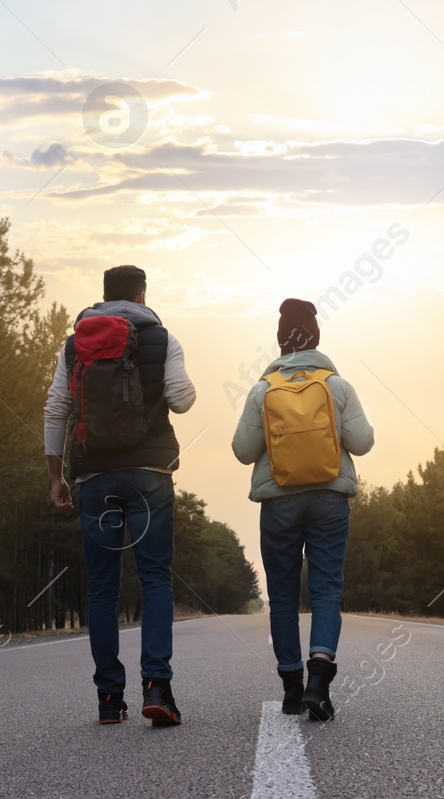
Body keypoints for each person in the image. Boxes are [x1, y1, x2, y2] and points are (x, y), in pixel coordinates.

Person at [45, 265, 196, 726]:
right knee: (154, 578)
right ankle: (157, 687)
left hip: (94, 477)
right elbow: (182, 398)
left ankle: (109, 698)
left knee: (103, 588)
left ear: (104, 297)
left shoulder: (75, 346)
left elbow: (56, 410)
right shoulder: (163, 338)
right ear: (142, 294)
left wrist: (57, 477)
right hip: (149, 473)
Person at [232, 298, 374, 720]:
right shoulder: (337, 386)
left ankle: (292, 688)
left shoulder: (262, 389)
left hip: (279, 501)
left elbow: (243, 451)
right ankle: (319, 679)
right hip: (330, 498)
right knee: (327, 589)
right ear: (316, 338)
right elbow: (363, 442)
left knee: (282, 595)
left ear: (280, 342)